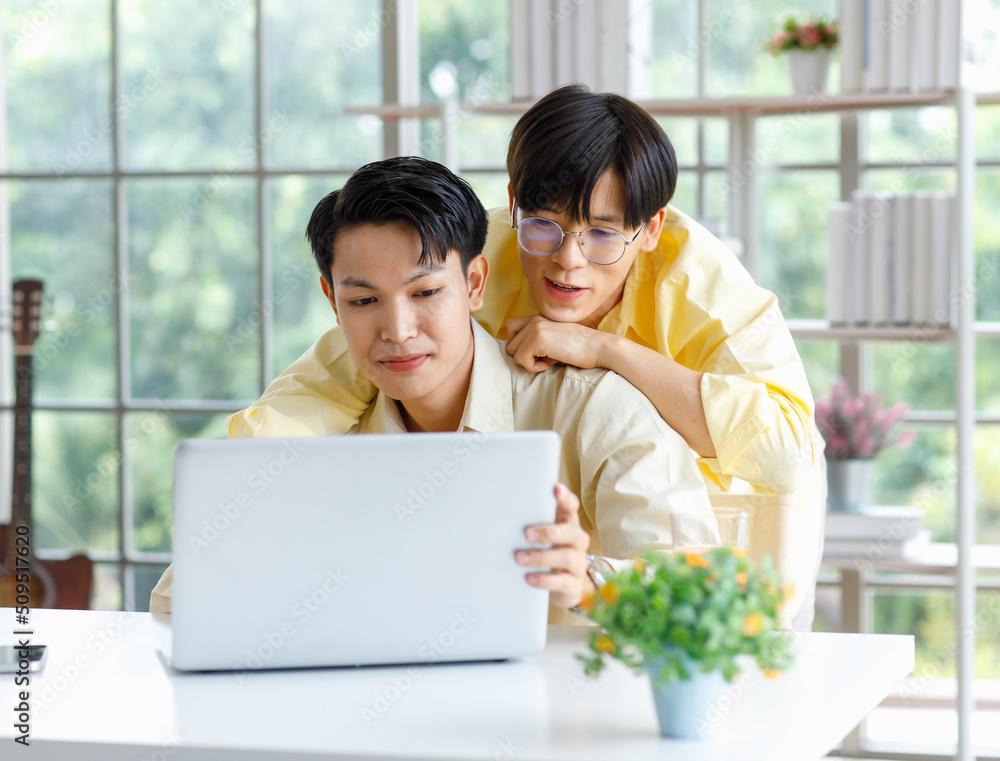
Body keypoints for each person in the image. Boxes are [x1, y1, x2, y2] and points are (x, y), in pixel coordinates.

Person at [226, 85, 826, 631]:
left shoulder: (698, 282)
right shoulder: (469, 255)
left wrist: (605, 350)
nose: (568, 260)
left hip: (726, 551)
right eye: (543, 225)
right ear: (514, 205)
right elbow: (348, 364)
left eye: (601, 235)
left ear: (649, 229)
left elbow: (787, 456)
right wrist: (244, 496)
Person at [151, 156, 712, 623]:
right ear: (332, 299)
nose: (397, 331)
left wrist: (588, 585)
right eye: (364, 301)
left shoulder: (596, 409)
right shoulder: (313, 434)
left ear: (473, 284)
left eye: (424, 293)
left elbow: (696, 589)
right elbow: (179, 607)